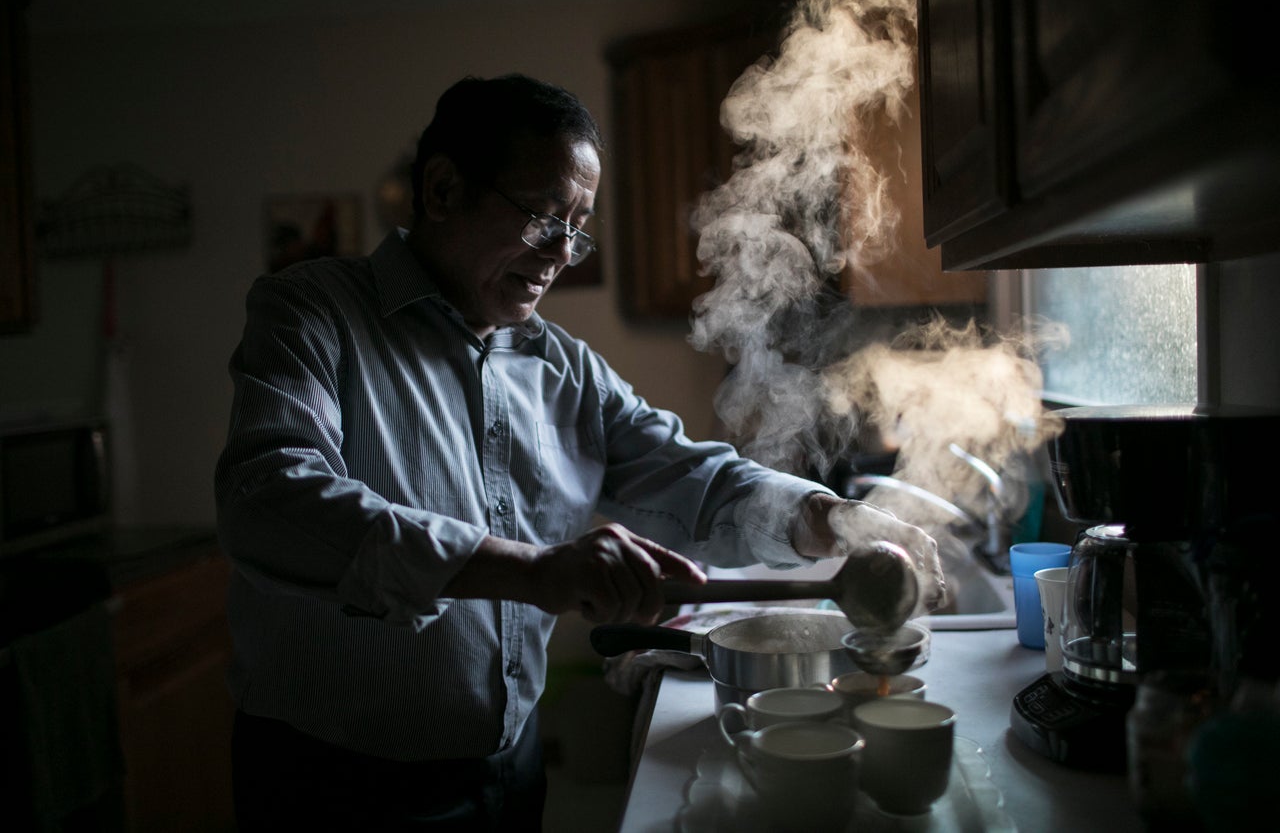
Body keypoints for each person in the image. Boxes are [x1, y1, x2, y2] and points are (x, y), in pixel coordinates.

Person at [214, 73, 941, 832]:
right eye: (541, 218)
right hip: (331, 787)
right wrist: (533, 570)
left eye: (578, 226)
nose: (563, 253)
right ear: (441, 188)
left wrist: (826, 514)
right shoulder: (315, 312)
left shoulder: (564, 367)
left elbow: (690, 474)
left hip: (510, 768)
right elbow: (267, 500)